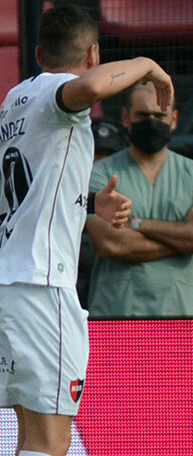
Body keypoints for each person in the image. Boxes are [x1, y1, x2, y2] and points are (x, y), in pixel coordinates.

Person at [0, 4, 171, 456]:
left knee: (38, 432)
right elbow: (85, 89)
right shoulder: (66, 92)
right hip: (39, 288)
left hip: (0, 282)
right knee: (52, 436)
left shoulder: (13, 101)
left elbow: (33, 192)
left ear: (35, 53)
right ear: (91, 55)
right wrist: (147, 64)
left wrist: (88, 209)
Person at [85, 83, 193, 317]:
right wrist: (182, 243)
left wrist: (138, 223)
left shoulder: (191, 173)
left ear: (174, 119)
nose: (152, 121)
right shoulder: (98, 174)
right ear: (126, 117)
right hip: (118, 314)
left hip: (182, 315)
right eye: (143, 115)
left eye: (160, 115)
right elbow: (112, 243)